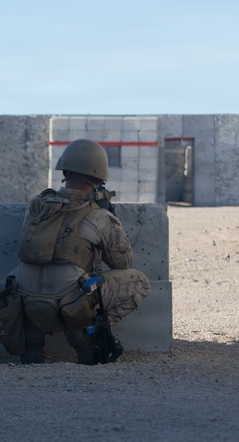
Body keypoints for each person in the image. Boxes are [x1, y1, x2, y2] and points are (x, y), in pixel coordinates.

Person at [12, 139, 150, 364]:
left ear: (64, 171)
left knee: (31, 276)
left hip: (27, 301)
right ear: (97, 179)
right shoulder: (99, 216)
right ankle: (86, 330)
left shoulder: (36, 206)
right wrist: (110, 218)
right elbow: (122, 264)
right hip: (69, 305)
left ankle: (32, 341)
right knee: (140, 282)